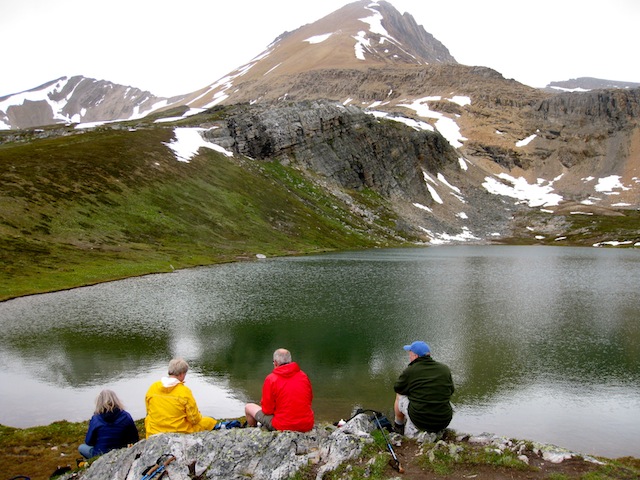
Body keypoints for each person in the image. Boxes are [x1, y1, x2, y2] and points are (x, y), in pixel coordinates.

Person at [393, 340, 454, 438]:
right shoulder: (444, 369)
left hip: (420, 421)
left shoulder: (410, 370)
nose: (409, 357)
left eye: (410, 354)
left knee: (399, 395)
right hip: (444, 420)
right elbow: (450, 391)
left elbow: (398, 388)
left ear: (416, 356)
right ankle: (438, 428)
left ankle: (398, 426)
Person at [145, 357, 217, 438]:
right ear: (182, 374)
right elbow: (194, 420)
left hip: (153, 432)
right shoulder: (184, 391)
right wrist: (198, 414)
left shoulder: (153, 387)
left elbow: (148, 410)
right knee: (209, 421)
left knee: (148, 419)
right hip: (178, 432)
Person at [245, 348, 314, 432]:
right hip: (307, 424)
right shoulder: (303, 376)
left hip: (283, 426)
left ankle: (252, 431)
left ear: (276, 363)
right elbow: (309, 400)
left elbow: (267, 410)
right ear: (290, 361)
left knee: (248, 407)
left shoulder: (271, 379)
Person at [78, 389, 139, 459]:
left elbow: (88, 441)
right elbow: (134, 438)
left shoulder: (96, 418)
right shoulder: (126, 416)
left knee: (81, 447)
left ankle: (91, 464)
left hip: (100, 455)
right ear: (116, 400)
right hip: (120, 453)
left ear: (98, 402)